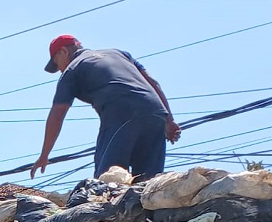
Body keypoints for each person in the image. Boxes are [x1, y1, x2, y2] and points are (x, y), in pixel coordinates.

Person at [31, 35, 180, 183]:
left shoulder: (73, 69)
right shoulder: (119, 54)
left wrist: (44, 155)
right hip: (155, 112)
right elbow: (153, 83)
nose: (59, 70)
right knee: (148, 183)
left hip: (122, 115)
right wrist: (169, 120)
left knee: (106, 181)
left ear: (63, 51)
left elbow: (58, 113)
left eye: (56, 64)